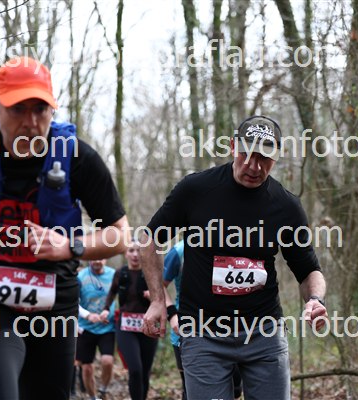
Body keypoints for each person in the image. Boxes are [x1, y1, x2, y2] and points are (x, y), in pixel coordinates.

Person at [0, 56, 130, 399]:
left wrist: (70, 246)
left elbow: (121, 235)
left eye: (40, 109)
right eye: (17, 109)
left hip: (54, 302)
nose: (30, 122)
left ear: (53, 109)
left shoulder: (78, 158)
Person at [140, 115, 328, 399]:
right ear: (232, 146)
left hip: (263, 332)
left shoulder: (286, 206)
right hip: (203, 333)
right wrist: (157, 300)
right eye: (246, 154)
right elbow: (149, 239)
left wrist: (315, 300)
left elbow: (308, 271)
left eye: (264, 157)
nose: (254, 166)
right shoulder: (196, 190)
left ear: (277, 157)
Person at [163, 240, 242, 399]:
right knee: (191, 390)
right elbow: (158, 285)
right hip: (189, 328)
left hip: (232, 328)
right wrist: (172, 316)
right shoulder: (179, 251)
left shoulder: (232, 245)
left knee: (235, 389)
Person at [102, 242, 158, 400]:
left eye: (139, 251)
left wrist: (152, 296)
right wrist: (106, 308)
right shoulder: (121, 273)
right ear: (125, 254)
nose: (135, 254)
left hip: (147, 325)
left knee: (145, 372)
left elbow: (161, 298)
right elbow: (112, 292)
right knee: (135, 370)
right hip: (125, 326)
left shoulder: (150, 273)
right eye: (131, 251)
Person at [76, 259, 117, 400]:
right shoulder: (81, 277)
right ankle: (93, 397)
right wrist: (88, 315)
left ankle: (103, 389)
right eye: (94, 258)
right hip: (85, 328)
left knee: (107, 361)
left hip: (107, 327)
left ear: (105, 259)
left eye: (100, 258)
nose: (97, 261)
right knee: (87, 367)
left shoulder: (114, 275)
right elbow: (73, 302)